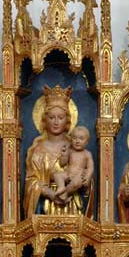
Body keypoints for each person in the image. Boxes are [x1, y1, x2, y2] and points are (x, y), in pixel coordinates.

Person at [24, 85, 94, 217]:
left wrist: (84, 181)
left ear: (67, 120)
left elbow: (86, 177)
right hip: (46, 207)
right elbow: (31, 182)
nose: (56, 122)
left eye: (60, 118)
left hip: (72, 205)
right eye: (51, 117)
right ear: (45, 119)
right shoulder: (38, 150)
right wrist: (50, 193)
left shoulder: (76, 147)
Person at [52, 126, 94, 202]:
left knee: (76, 183)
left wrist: (88, 177)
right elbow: (62, 164)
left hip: (79, 176)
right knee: (57, 175)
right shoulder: (70, 151)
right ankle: (61, 187)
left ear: (87, 142)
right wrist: (64, 155)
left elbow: (90, 167)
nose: (77, 141)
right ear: (71, 139)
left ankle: (65, 193)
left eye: (81, 139)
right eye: (74, 138)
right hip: (68, 174)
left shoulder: (87, 154)